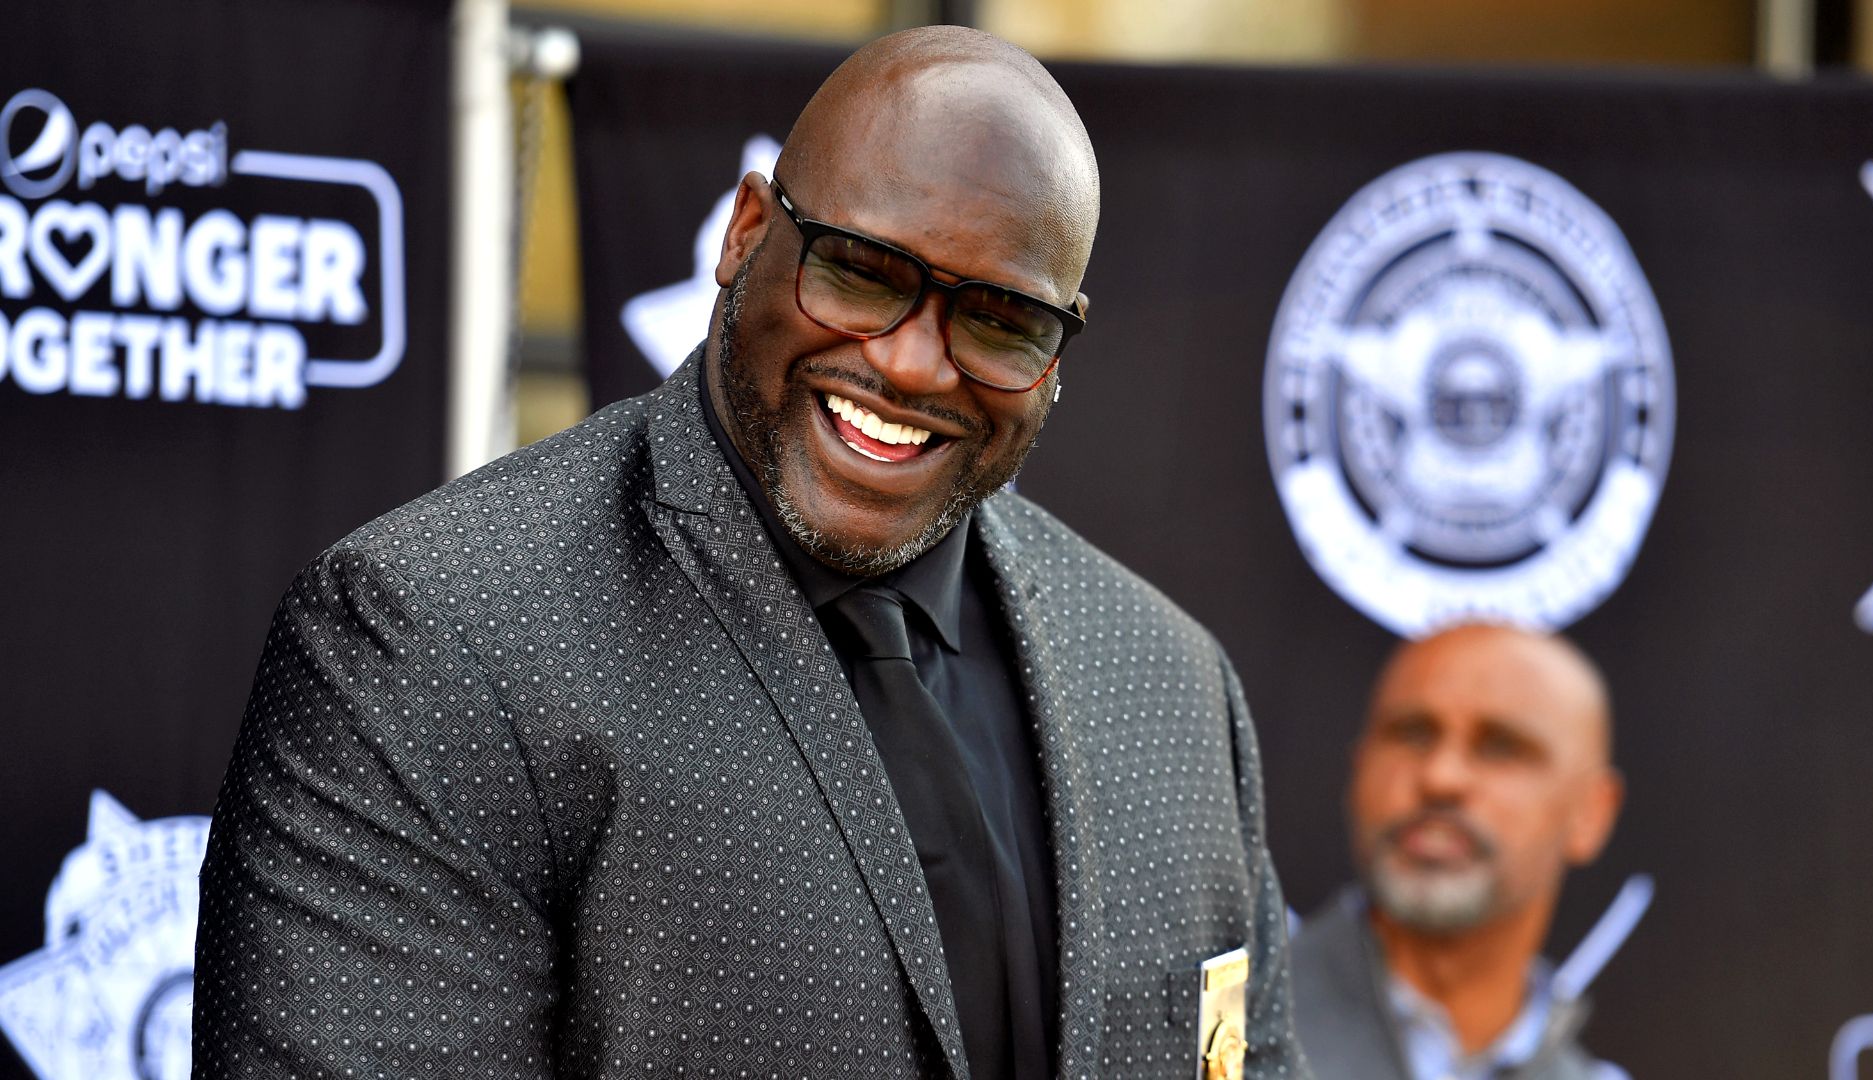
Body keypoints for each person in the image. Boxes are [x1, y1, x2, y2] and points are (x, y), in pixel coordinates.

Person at [192, 25, 1308, 1080]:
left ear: (1058, 348)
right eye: (864, 271)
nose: (916, 364)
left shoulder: (1174, 688)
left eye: (998, 319)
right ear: (745, 235)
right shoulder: (431, 641)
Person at [1289, 623, 1627, 1080]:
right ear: (1358, 767)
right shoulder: (1218, 1025)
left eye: (1501, 747)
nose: (1441, 777)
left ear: (1592, 813)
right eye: (1412, 733)